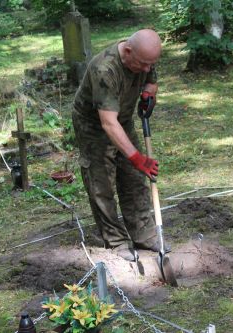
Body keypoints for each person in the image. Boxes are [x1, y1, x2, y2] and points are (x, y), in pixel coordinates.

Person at [72, 29, 167, 261]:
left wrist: (148, 94)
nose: (147, 69)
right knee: (101, 181)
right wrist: (137, 158)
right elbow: (108, 123)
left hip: (121, 120)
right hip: (94, 125)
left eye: (150, 64)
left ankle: (143, 233)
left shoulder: (144, 58)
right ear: (127, 51)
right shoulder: (105, 69)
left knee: (134, 177)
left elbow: (151, 80)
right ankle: (115, 239)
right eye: (143, 64)